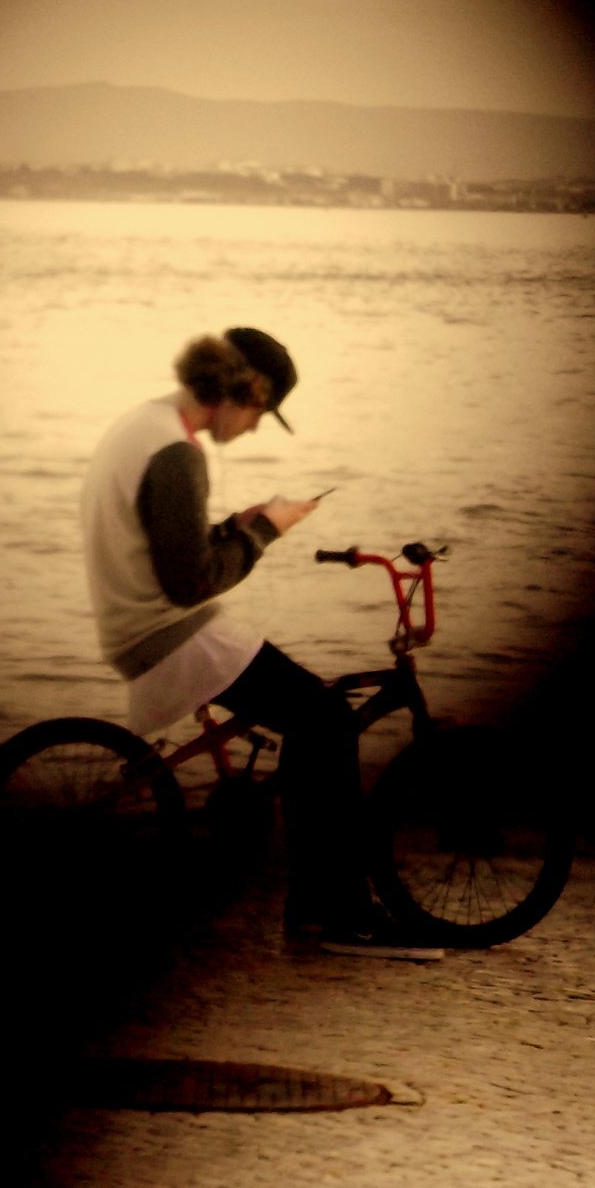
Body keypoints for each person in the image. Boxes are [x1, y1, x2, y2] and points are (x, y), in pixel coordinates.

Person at [78, 328, 441, 960]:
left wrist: (230, 527)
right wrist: (266, 532)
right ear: (244, 391)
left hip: (139, 620)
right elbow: (190, 581)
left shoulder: (147, 423)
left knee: (310, 712)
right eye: (258, 415)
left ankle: (313, 900)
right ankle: (334, 913)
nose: (251, 431)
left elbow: (165, 544)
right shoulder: (177, 453)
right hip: (166, 631)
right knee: (325, 717)